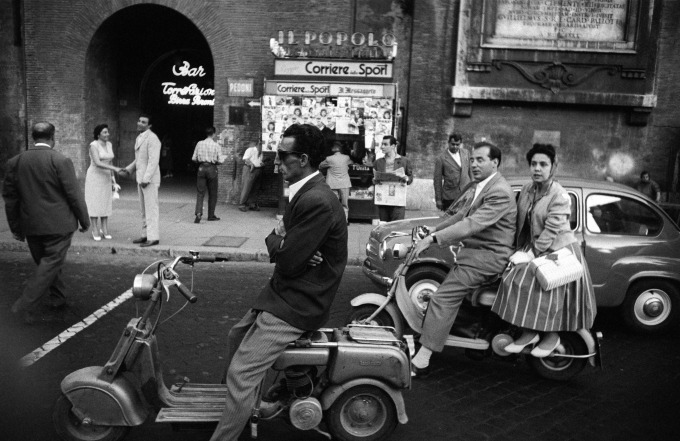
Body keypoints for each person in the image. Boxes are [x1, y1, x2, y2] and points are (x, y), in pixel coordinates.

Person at [209, 124, 348, 441]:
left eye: (282, 156)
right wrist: (285, 245)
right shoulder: (304, 193)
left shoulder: (317, 200)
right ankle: (242, 409)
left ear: (302, 158)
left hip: (299, 302)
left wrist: (287, 248)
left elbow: (286, 260)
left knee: (241, 372)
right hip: (285, 292)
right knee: (236, 337)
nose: (276, 162)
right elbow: (279, 245)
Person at [409, 141, 517, 377]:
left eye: (481, 160)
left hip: (486, 259)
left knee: (441, 299)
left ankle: (423, 360)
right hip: (475, 256)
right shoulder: (482, 185)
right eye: (473, 159)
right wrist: (432, 231)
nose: (474, 164)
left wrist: (434, 240)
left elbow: (471, 224)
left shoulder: (499, 191)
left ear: (495, 163)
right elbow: (460, 214)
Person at [491, 144, 597, 357]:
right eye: (533, 164)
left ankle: (551, 335)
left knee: (544, 290)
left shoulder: (560, 195)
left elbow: (550, 231)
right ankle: (529, 332)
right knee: (512, 278)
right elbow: (519, 221)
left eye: (543, 164)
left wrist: (530, 254)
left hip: (558, 251)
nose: (537, 168)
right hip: (535, 247)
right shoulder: (528, 189)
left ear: (553, 167)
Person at [3, 122, 90, 324]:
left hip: (31, 225)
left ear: (32, 137)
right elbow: (74, 195)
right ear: (53, 137)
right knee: (50, 263)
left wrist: (16, 227)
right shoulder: (60, 160)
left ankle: (58, 296)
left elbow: (10, 199)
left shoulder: (15, 162)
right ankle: (24, 304)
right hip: (59, 225)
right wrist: (84, 221)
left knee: (47, 262)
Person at [120, 114, 161, 247]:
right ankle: (145, 235)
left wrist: (146, 178)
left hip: (149, 180)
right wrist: (129, 169)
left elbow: (153, 161)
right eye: (139, 121)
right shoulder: (140, 137)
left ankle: (153, 237)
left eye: (143, 122)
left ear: (149, 126)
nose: (139, 123)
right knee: (143, 209)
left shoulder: (153, 138)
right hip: (141, 179)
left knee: (151, 209)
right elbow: (139, 159)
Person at [84, 124, 121, 241]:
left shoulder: (109, 144)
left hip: (106, 177)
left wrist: (113, 179)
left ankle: (104, 229)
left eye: (108, 132)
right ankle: (95, 229)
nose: (107, 134)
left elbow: (109, 162)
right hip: (95, 176)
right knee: (95, 202)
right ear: (98, 134)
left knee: (105, 202)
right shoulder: (93, 145)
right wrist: (115, 168)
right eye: (105, 132)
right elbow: (97, 162)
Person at [373, 135, 413, 222]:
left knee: (396, 225)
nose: (382, 146)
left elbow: (410, 178)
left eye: (385, 144)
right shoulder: (378, 162)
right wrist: (374, 181)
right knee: (384, 224)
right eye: (382, 144)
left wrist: (406, 178)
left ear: (393, 146)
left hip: (398, 199)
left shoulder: (404, 161)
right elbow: (373, 179)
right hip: (383, 199)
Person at [433, 132, 473, 211]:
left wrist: (474, 189)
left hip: (465, 195)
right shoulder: (441, 158)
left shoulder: (466, 153)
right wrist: (438, 199)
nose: (455, 147)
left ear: (460, 144)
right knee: (449, 220)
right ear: (448, 143)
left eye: (457, 145)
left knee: (464, 220)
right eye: (453, 144)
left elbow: (471, 172)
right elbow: (437, 180)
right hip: (449, 197)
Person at [191, 126, 222, 223]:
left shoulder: (199, 143)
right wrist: (215, 162)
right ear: (213, 134)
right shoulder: (216, 145)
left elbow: (194, 158)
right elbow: (221, 160)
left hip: (201, 168)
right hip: (212, 168)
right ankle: (211, 215)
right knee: (213, 193)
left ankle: (198, 213)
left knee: (200, 192)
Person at [319, 141, 353, 221]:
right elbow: (351, 163)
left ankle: (334, 221)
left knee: (333, 204)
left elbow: (320, 165)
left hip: (332, 184)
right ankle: (345, 220)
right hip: (344, 184)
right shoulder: (346, 157)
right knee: (345, 204)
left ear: (333, 149)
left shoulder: (329, 159)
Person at [239, 140, 264, 212]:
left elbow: (259, 161)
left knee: (255, 188)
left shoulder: (261, 152)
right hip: (250, 169)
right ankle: (242, 204)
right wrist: (251, 164)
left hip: (258, 169)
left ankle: (252, 204)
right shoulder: (250, 150)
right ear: (259, 144)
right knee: (246, 187)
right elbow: (245, 159)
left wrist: (262, 163)